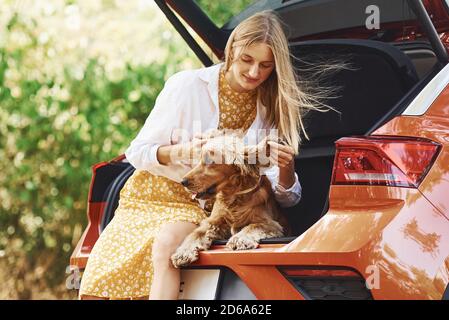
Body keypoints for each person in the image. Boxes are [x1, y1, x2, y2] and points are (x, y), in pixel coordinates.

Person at [79, 9, 315, 300]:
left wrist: (287, 168)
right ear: (231, 50)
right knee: (99, 279)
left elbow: (287, 198)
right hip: (152, 195)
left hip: (205, 206)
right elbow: (137, 152)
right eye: (247, 60)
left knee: (166, 246)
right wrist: (185, 151)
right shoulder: (186, 86)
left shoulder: (270, 109)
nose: (255, 73)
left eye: (265, 65)